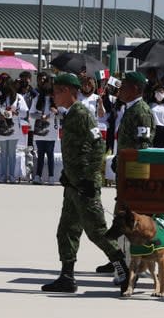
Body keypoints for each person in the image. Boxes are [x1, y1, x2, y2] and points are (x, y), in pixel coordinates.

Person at [41, 73, 130, 294]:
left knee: (97, 231)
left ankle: (124, 269)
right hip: (73, 184)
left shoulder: (81, 113)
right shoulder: (69, 114)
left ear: (69, 92)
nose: (54, 95)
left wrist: (90, 178)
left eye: (57, 90)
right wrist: (67, 175)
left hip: (84, 185)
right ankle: (67, 277)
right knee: (67, 231)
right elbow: (76, 150)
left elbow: (98, 146)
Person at [0, 80, 28, 183]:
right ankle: (3, 175)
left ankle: (12, 175)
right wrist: (0, 115)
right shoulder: (0, 99)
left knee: (12, 153)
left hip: (14, 128)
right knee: (3, 153)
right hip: (2, 129)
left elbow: (24, 112)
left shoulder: (19, 98)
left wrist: (15, 112)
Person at [30, 77, 60, 184]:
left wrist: (56, 112)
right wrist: (40, 116)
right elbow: (31, 113)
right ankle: (38, 176)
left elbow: (62, 115)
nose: (47, 93)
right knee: (40, 154)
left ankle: (51, 176)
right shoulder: (37, 99)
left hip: (51, 131)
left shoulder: (56, 99)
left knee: (50, 154)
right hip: (39, 131)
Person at [149, 84, 164, 148]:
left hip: (163, 130)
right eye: (158, 91)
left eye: (161, 92)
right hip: (152, 129)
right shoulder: (150, 105)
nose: (159, 93)